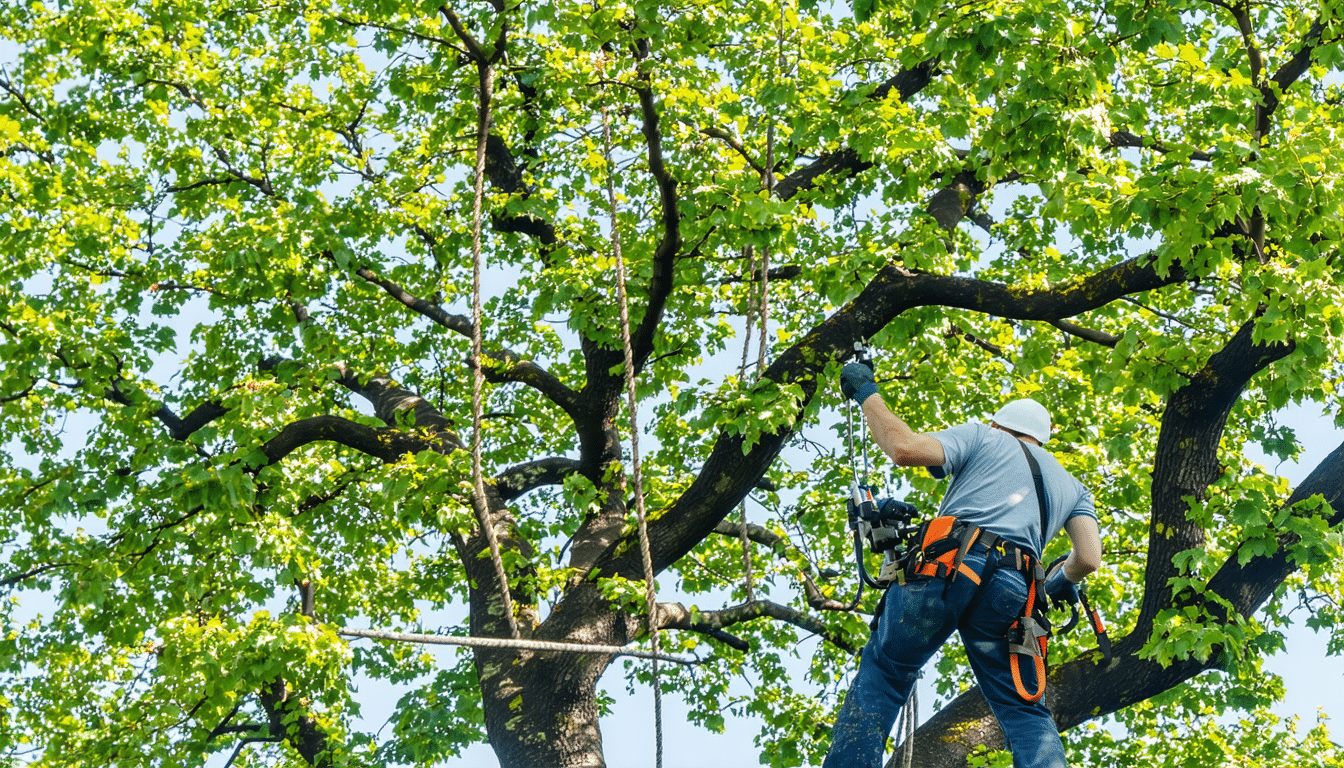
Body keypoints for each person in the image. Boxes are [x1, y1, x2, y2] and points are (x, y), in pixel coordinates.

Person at [823, 362, 1102, 768]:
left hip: (945, 570)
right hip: (1010, 595)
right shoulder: (1073, 487)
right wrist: (1061, 581)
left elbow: (903, 448)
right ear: (1041, 439)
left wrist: (867, 392)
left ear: (1000, 423)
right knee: (1024, 709)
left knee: (885, 673)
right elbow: (1089, 558)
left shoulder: (983, 436)